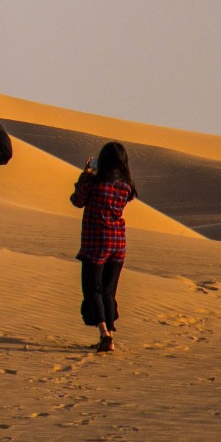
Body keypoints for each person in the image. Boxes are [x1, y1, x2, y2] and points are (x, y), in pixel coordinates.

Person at [71, 142, 138, 352]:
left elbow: (77, 200)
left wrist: (87, 174)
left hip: (96, 243)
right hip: (118, 242)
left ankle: (104, 333)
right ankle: (108, 335)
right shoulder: (126, 187)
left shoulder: (94, 183)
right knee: (109, 291)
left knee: (93, 290)